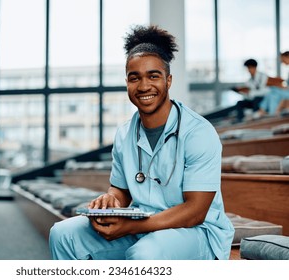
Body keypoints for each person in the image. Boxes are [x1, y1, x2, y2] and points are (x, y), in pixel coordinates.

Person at [49, 25, 234, 260]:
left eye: (153, 76)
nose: (144, 86)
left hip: (195, 233)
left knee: (144, 255)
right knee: (63, 234)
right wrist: (111, 201)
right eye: (134, 78)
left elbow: (195, 212)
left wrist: (132, 227)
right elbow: (121, 190)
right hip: (143, 222)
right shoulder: (125, 133)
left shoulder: (198, 132)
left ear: (168, 80)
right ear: (127, 82)